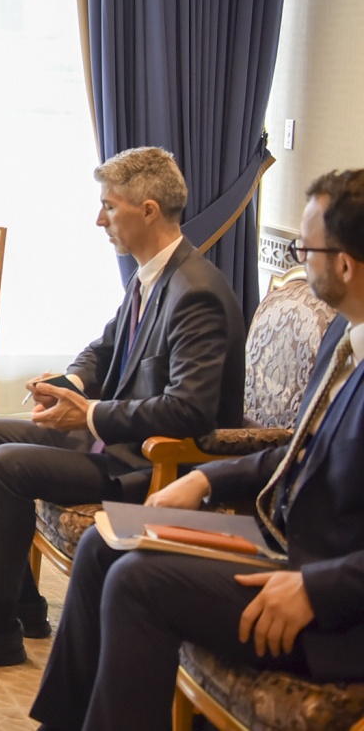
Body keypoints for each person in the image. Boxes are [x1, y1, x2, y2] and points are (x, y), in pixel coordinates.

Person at [30, 169, 364, 731]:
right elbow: (304, 448)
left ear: (346, 266)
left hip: (335, 603)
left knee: (138, 584)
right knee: (104, 543)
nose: (298, 261)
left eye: (304, 250)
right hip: (286, 544)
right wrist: (207, 479)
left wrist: (315, 588)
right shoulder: (344, 333)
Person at [0, 146, 247, 672]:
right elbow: (105, 347)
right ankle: (19, 603)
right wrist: (67, 383)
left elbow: (190, 411)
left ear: (149, 211)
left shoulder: (196, 292)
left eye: (109, 207)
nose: (99, 220)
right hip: (115, 441)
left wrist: (88, 413)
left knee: (7, 464)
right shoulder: (153, 274)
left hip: (151, 464)